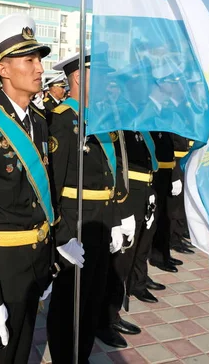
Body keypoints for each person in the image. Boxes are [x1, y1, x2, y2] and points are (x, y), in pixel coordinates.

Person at [0, 13, 68, 364]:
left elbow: (43, 192)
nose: (40, 69)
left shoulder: (38, 121)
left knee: (20, 351)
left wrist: (48, 259)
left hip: (35, 260)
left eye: (40, 60)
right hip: (1, 266)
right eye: (30, 60)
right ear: (3, 69)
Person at [46, 51, 134, 363]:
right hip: (76, 225)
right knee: (69, 303)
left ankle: (80, 356)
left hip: (100, 221)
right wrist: (60, 237)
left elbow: (108, 175)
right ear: (80, 78)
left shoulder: (95, 118)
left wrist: (117, 219)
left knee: (92, 297)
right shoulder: (63, 120)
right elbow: (54, 185)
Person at [97, 129, 166, 349]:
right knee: (121, 259)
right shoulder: (118, 126)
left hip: (143, 189)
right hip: (127, 193)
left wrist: (150, 189)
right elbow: (113, 165)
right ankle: (106, 319)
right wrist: (121, 205)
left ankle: (134, 286)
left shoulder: (140, 126)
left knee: (141, 245)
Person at [149, 131, 183, 273]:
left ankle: (163, 254)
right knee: (156, 219)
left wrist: (174, 173)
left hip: (167, 173)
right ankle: (157, 256)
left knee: (166, 217)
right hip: (156, 175)